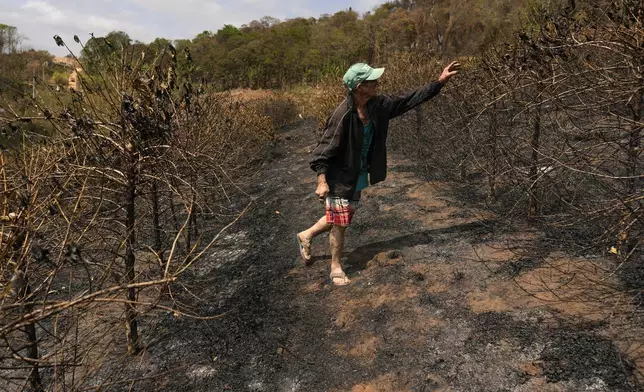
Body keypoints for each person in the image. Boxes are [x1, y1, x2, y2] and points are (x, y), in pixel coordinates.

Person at [297, 61, 461, 286]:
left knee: (344, 214)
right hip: (339, 174)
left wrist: (439, 82)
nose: (377, 83)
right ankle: (335, 267)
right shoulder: (342, 115)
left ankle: (306, 235)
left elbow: (408, 100)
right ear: (358, 87)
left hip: (358, 171)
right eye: (371, 81)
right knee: (341, 222)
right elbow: (322, 151)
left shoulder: (378, 104)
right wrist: (322, 180)